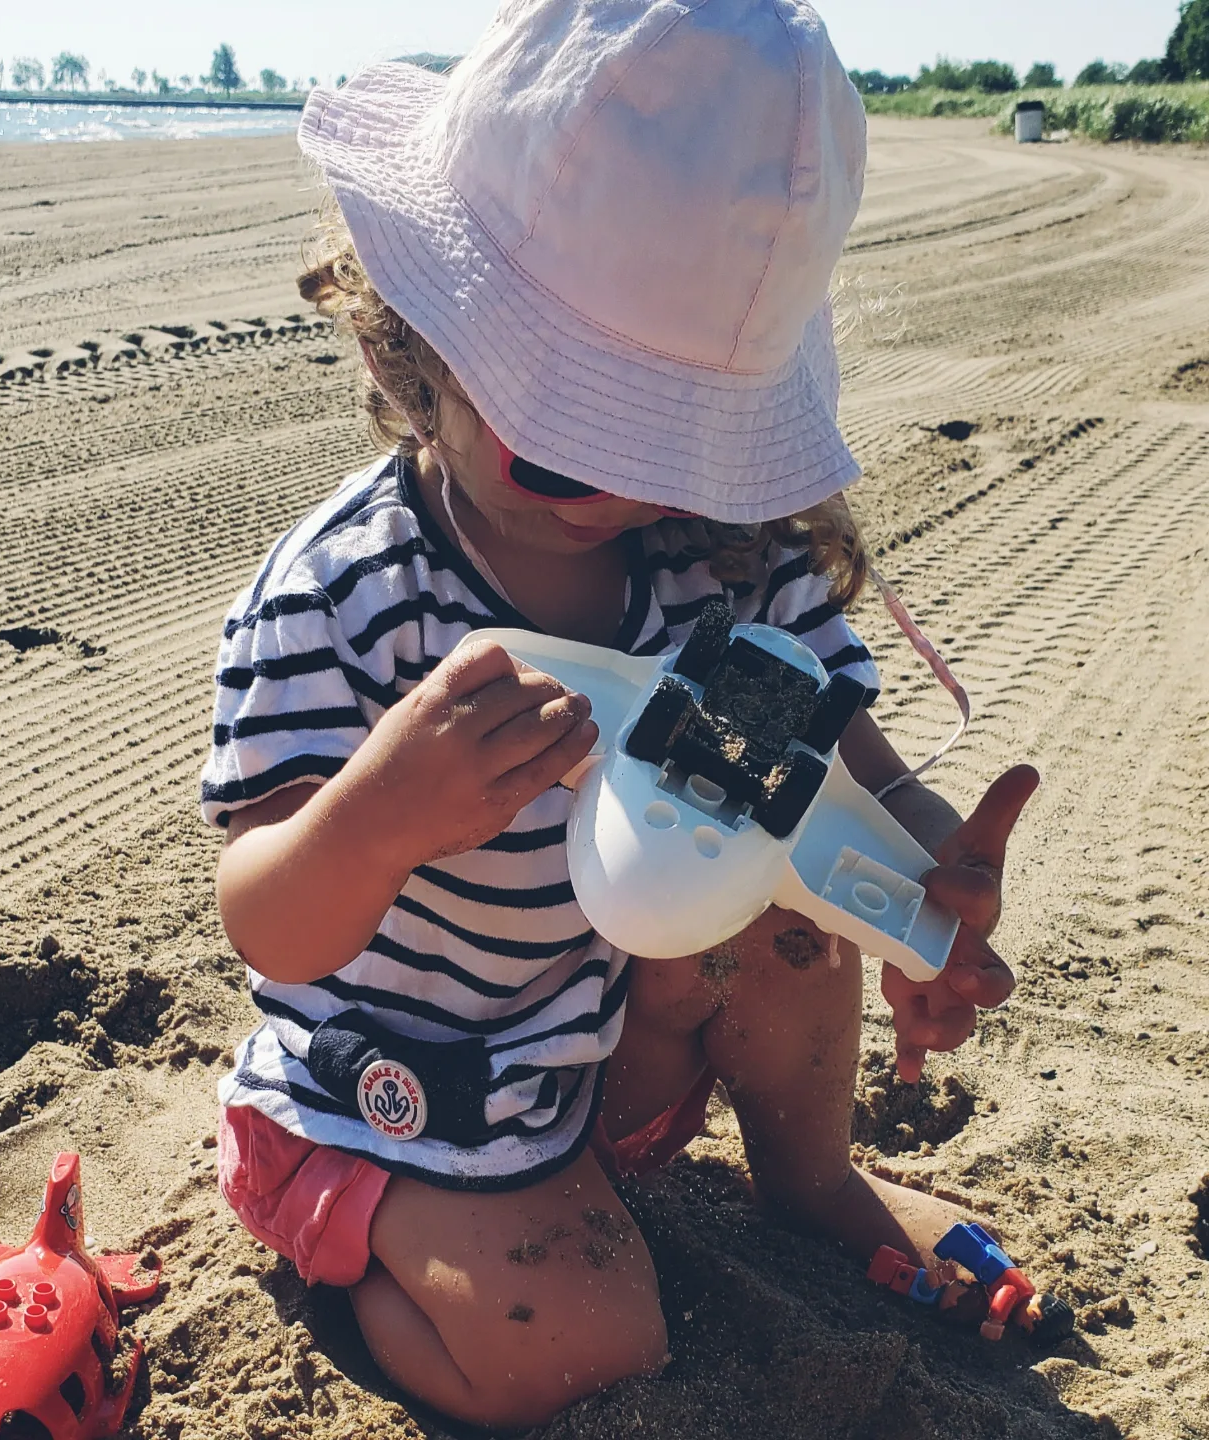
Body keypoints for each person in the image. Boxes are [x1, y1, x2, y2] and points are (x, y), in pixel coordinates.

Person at [202, 1, 1041, 1427]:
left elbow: (851, 780)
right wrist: (378, 819)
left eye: (645, 428)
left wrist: (923, 888)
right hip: (415, 1077)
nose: (597, 465)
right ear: (422, 320)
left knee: (780, 888)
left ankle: (811, 1180)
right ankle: (332, 1223)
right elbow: (269, 924)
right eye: (561, 399)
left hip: (624, 1044)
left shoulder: (722, 562)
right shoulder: (347, 596)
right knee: (582, 1354)